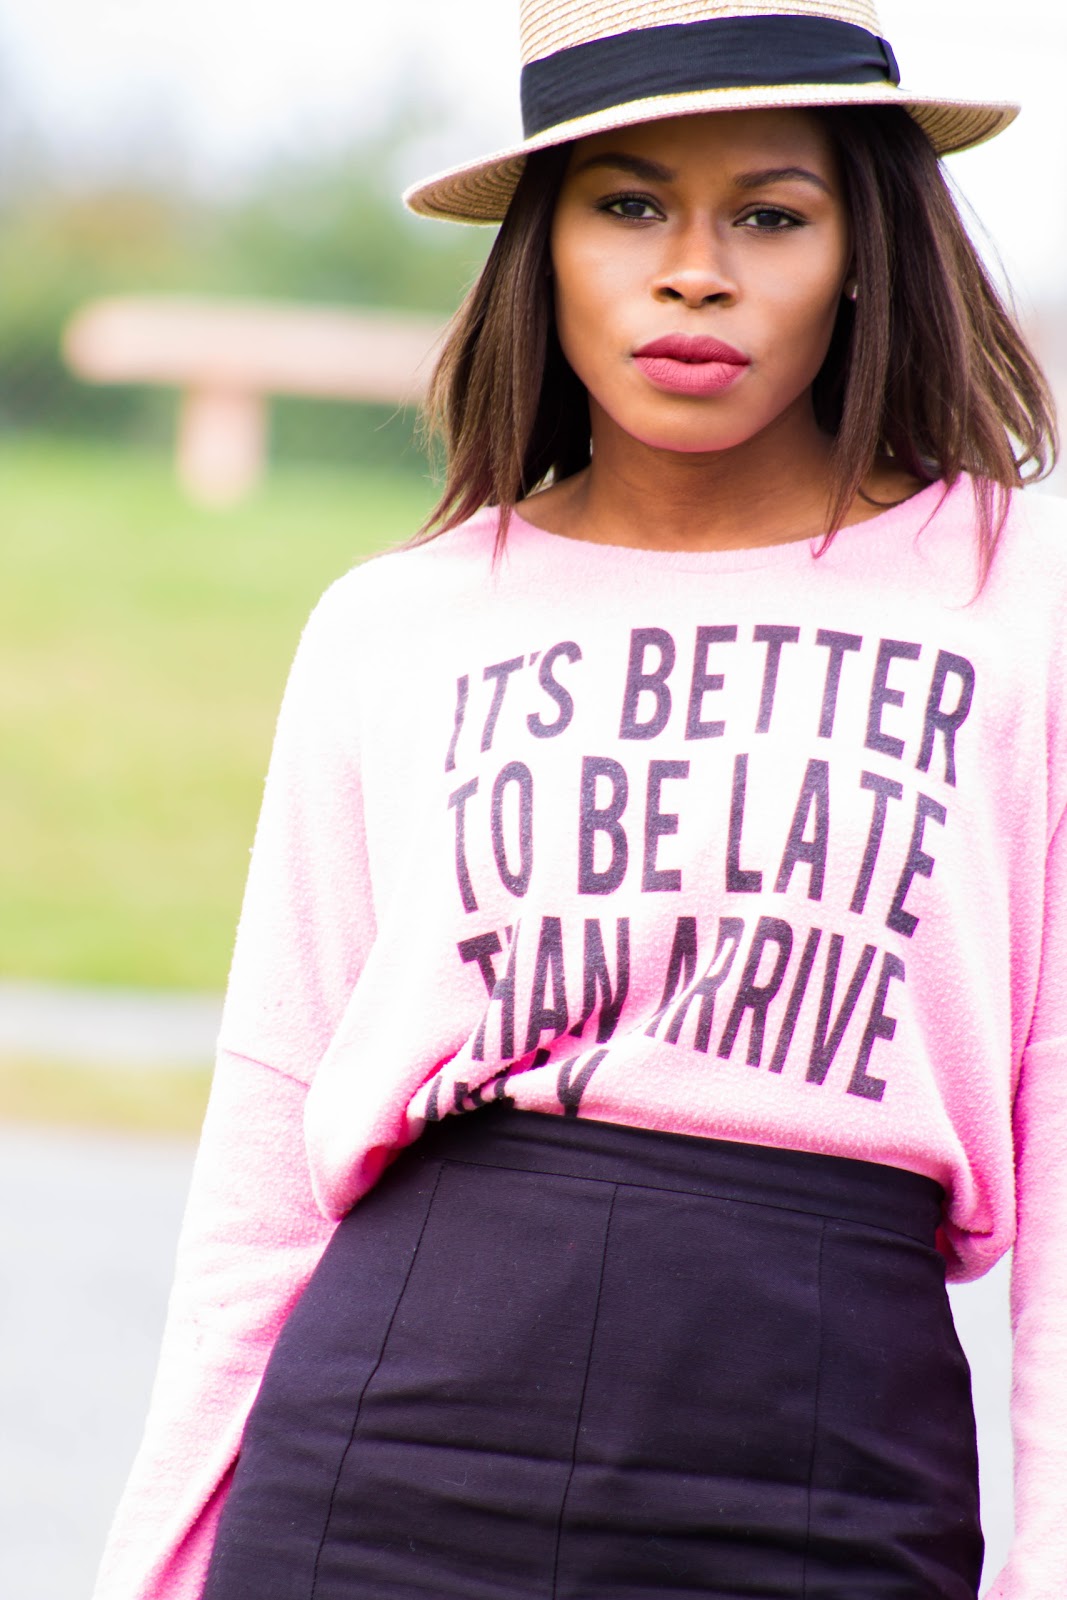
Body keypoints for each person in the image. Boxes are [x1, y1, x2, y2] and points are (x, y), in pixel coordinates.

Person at [93, 3, 1064, 1598]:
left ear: (868, 243)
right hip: (389, 1457)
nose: (697, 269)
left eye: (770, 211)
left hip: (828, 1461)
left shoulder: (1018, 597)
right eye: (627, 206)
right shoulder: (390, 625)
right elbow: (269, 1143)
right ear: (542, 251)